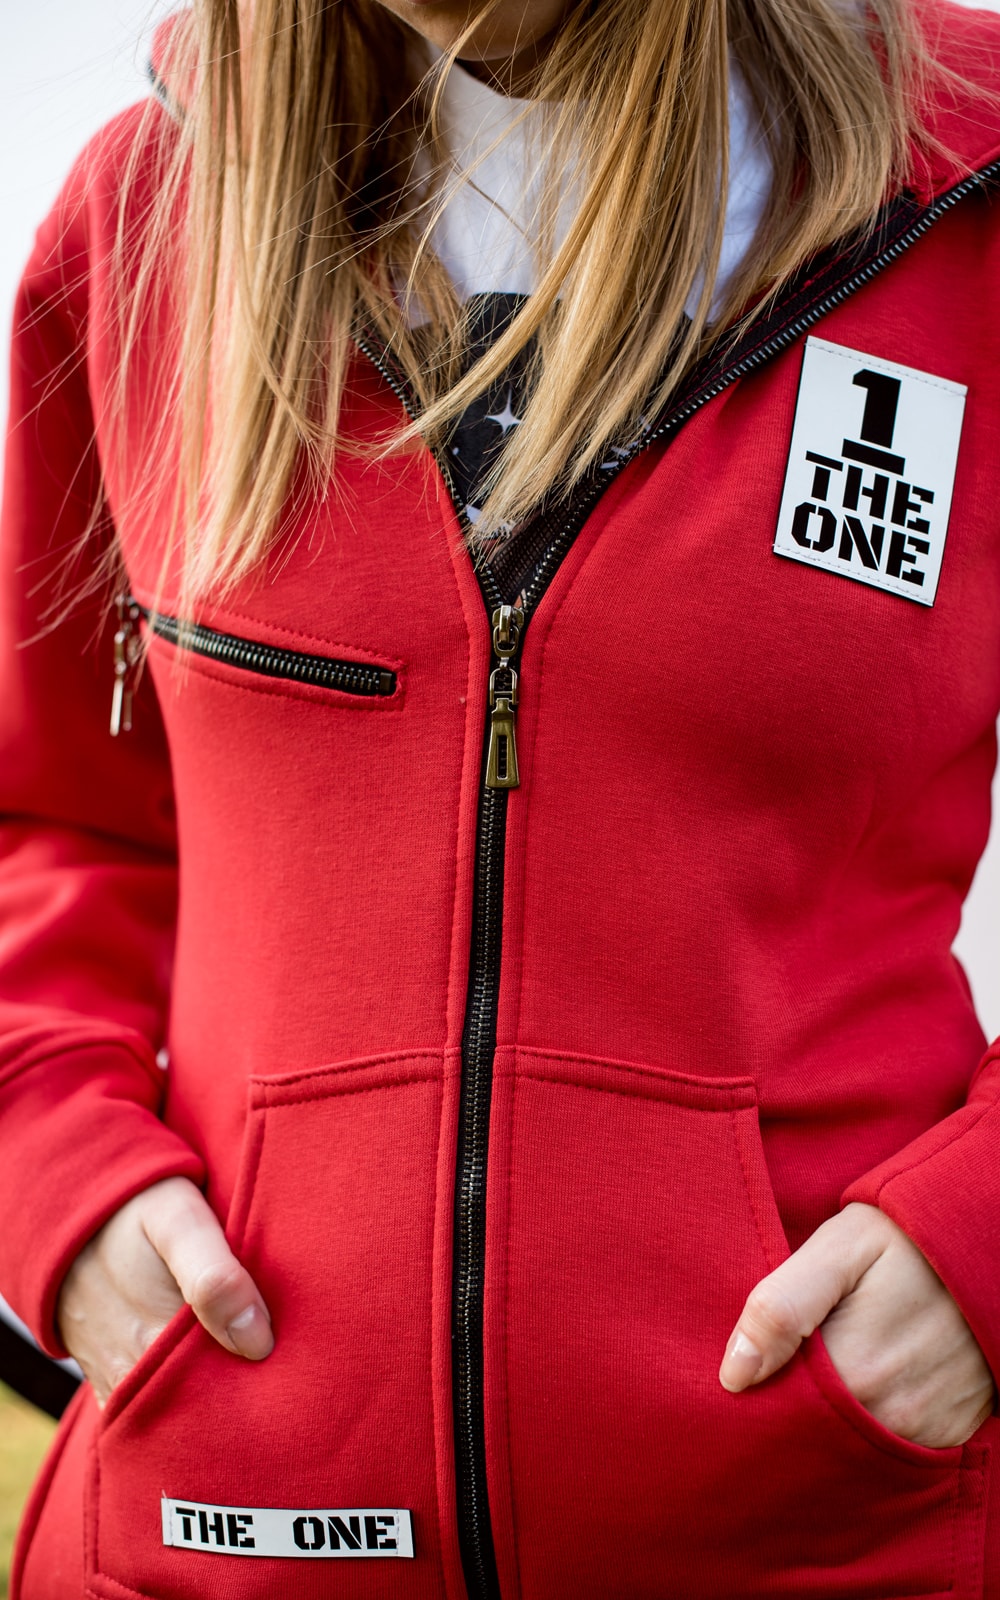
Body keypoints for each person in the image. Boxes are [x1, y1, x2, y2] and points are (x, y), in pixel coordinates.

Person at [1, 0, 999, 1593]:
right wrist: (57, 1176)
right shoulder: (143, 224)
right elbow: (52, 822)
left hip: (835, 1529)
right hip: (223, 1535)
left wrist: (981, 1247)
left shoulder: (963, 208)